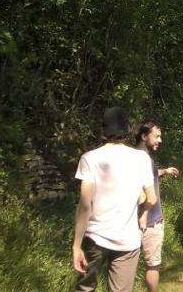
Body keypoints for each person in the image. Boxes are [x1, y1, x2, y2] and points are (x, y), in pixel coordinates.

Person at [72, 107, 156, 292]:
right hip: (128, 240)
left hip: (95, 237)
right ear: (127, 130)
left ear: (103, 130)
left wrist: (76, 246)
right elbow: (151, 198)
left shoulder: (90, 158)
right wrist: (139, 214)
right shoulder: (141, 158)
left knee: (85, 289)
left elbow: (85, 205)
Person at [135, 121, 179, 292]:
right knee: (152, 265)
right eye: (157, 136)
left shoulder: (135, 156)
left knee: (127, 265)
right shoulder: (143, 158)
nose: (160, 140)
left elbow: (148, 176)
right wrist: (144, 212)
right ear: (144, 136)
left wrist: (164, 171)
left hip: (132, 220)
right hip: (150, 220)